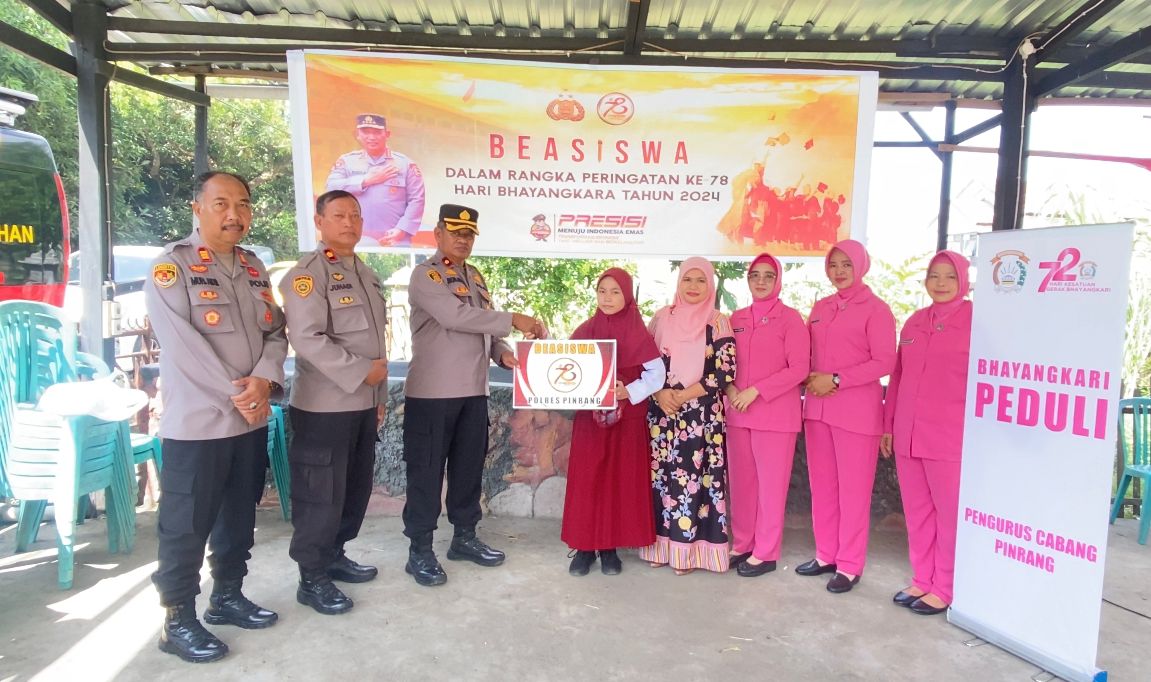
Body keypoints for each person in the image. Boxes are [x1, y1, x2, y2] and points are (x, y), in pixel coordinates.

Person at [145, 171, 287, 663]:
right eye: (221, 203)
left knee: (239, 514)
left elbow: (276, 332)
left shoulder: (253, 266)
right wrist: (241, 393)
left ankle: (227, 595)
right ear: (197, 208)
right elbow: (182, 344)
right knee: (186, 524)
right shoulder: (172, 267)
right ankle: (178, 619)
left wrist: (264, 380)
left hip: (248, 419)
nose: (234, 214)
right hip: (199, 422)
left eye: (242, 204)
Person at [402, 203, 544, 586]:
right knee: (426, 473)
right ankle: (419, 550)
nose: (463, 240)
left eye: (468, 234)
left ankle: (464, 537)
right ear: (438, 234)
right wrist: (514, 319)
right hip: (432, 394)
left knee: (467, 469)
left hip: (473, 392)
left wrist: (503, 352)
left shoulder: (475, 276)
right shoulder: (426, 275)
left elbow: (485, 329)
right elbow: (456, 317)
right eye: (455, 232)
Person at [278, 190, 389, 616]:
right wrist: (361, 373)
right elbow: (306, 338)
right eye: (339, 215)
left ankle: (335, 554)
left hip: (361, 403)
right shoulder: (308, 274)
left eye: (355, 215)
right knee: (320, 494)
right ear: (319, 221)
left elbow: (376, 345)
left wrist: (377, 396)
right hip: (324, 407)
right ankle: (311, 577)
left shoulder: (365, 273)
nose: (349, 222)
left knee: (353, 489)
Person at [798, 239, 896, 593]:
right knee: (823, 487)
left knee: (854, 493)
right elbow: (807, 352)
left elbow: (885, 361)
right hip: (818, 411)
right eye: (833, 265)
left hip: (856, 414)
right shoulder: (821, 307)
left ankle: (850, 564)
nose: (839, 271)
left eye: (846, 265)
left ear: (861, 267)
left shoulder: (877, 309)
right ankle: (826, 554)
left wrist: (837, 379)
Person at [881, 250, 973, 616]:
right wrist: (888, 425)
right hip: (908, 432)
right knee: (917, 512)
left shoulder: (977, 322)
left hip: (949, 436)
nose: (941, 283)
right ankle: (922, 579)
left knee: (948, 515)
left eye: (950, 276)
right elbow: (898, 378)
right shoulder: (915, 323)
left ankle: (945, 587)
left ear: (964, 281)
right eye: (934, 275)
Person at [561, 268, 663, 576]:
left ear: (627, 295)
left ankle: (609, 549)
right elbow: (566, 368)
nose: (607, 298)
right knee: (588, 481)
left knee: (618, 483)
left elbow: (656, 375)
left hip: (626, 421)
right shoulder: (585, 330)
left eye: (615, 291)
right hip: (590, 423)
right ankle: (584, 548)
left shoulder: (638, 333)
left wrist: (627, 391)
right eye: (602, 291)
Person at [640, 257, 736, 575]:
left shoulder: (718, 321)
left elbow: (725, 372)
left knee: (695, 484)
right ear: (678, 283)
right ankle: (659, 547)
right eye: (687, 280)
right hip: (663, 414)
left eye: (701, 280)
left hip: (701, 419)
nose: (693, 287)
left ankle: (688, 554)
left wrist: (681, 395)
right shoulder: (661, 318)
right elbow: (643, 362)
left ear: (711, 285)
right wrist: (659, 393)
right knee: (661, 480)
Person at [725, 253, 810, 577]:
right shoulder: (736, 318)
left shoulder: (790, 319)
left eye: (768, 276)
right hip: (738, 413)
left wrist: (756, 391)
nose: (760, 281)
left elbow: (799, 368)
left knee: (771, 487)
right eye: (755, 275)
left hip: (775, 416)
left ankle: (766, 551)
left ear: (778, 281)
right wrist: (731, 389)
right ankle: (743, 543)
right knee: (742, 484)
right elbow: (724, 361)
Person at [325, 113, 426, 247]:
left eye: (377, 132)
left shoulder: (405, 164)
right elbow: (331, 188)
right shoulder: (347, 162)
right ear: (358, 134)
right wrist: (365, 181)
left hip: (395, 237)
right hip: (356, 236)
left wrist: (402, 230)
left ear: (387, 134)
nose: (371, 137)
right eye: (366, 132)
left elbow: (417, 200)